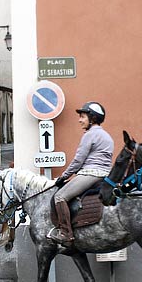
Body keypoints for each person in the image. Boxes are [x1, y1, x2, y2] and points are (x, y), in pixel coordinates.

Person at [48, 101, 114, 245]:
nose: (80, 120)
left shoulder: (90, 135)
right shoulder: (106, 136)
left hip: (91, 173)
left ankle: (66, 233)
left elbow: (78, 161)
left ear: (93, 118)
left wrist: (63, 177)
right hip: (105, 174)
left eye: (83, 116)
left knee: (59, 196)